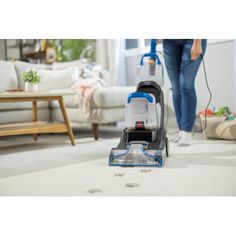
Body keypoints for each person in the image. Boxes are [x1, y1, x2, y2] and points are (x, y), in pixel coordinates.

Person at [162, 39, 207, 146]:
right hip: (169, 42)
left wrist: (197, 42)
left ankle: (187, 133)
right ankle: (181, 131)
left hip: (192, 40)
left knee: (186, 85)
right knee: (176, 87)